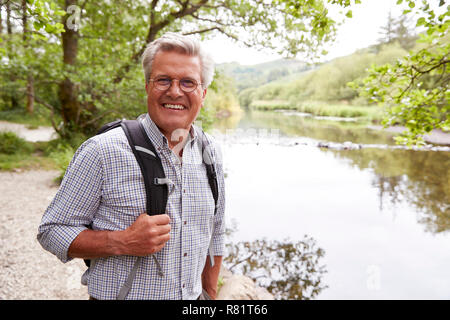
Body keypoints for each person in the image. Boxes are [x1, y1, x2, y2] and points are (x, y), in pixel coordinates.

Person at [37, 32, 225, 300]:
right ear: (148, 86)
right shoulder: (102, 151)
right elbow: (51, 230)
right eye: (163, 80)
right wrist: (122, 241)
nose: (175, 91)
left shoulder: (212, 152)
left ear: (203, 93)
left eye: (187, 82)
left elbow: (215, 232)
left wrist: (210, 295)